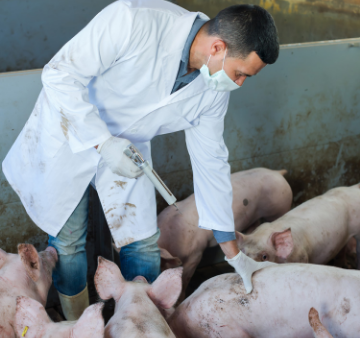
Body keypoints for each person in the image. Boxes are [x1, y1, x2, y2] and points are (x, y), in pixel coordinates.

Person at [2, 0, 279, 320]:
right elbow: (59, 74)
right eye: (240, 73)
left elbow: (212, 161)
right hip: (70, 135)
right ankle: (77, 333)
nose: (239, 83)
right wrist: (102, 142)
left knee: (144, 244)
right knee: (69, 247)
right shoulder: (134, 20)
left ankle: (139, 328)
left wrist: (233, 254)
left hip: (129, 150)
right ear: (217, 47)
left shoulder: (214, 90)